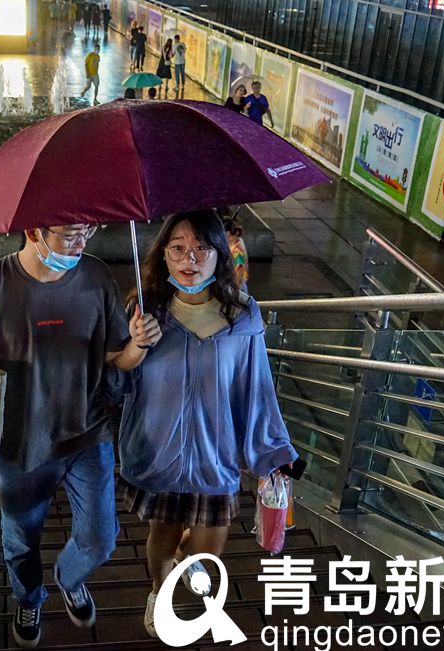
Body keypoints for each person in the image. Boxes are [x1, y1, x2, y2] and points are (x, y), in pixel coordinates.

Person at [0, 223, 160, 649]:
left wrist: (140, 344)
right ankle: (28, 597)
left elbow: (117, 359)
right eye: (68, 235)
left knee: (101, 538)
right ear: (32, 231)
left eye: (87, 232)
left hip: (87, 431)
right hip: (19, 442)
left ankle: (69, 577)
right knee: (20, 538)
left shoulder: (96, 276)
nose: (80, 244)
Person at [115, 210, 297, 638]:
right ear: (163, 255)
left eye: (201, 248)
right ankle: (159, 592)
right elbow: (114, 380)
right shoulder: (144, 311)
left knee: (208, 545)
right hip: (159, 455)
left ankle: (184, 563)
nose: (189, 258)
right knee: (163, 531)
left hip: (217, 459)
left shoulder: (242, 316)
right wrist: (133, 346)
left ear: (221, 255)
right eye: (177, 248)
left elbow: (257, 390)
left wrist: (278, 457)